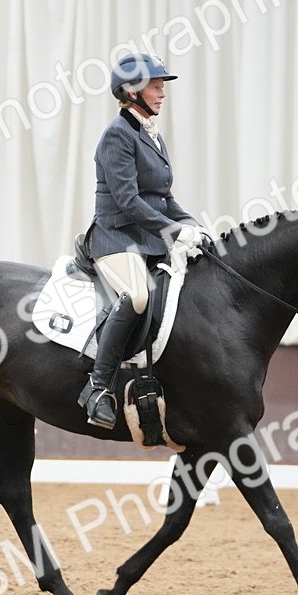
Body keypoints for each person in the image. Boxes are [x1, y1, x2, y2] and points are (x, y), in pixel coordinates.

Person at [77, 53, 203, 429]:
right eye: (156, 86)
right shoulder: (117, 135)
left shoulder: (151, 134)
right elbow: (128, 201)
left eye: (162, 86)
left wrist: (193, 226)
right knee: (138, 296)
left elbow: (163, 198)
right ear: (132, 91)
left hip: (147, 238)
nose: (162, 93)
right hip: (115, 237)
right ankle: (98, 388)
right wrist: (174, 231)